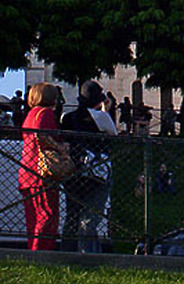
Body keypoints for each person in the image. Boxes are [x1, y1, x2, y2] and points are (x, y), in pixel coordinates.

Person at [61, 80, 118, 253]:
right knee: (90, 217)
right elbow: (113, 135)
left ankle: (66, 254)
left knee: (72, 216)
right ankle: (88, 255)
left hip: (74, 171)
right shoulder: (100, 117)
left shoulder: (68, 118)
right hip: (97, 173)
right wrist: (106, 110)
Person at [18, 82, 64, 250]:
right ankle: (41, 251)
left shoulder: (31, 114)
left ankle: (34, 248)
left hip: (27, 169)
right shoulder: (45, 114)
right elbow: (44, 137)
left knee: (33, 216)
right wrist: (62, 148)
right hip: (41, 171)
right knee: (47, 214)